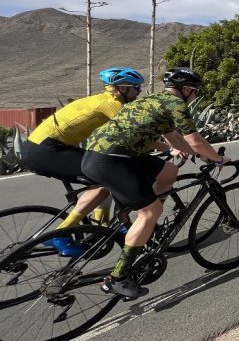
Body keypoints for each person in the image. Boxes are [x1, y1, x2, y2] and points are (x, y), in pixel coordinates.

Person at [81, 67, 229, 299]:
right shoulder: (176, 104)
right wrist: (218, 159)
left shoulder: (154, 100)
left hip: (97, 156)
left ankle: (143, 227)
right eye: (195, 91)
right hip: (113, 160)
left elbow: (174, 139)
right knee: (151, 211)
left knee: (168, 171)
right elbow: (195, 140)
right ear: (187, 89)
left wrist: (200, 155)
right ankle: (117, 277)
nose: (195, 95)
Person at [20, 67, 145, 256]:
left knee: (104, 174)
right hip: (47, 149)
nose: (139, 92)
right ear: (123, 88)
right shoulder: (112, 104)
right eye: (136, 88)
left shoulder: (99, 100)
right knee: (105, 178)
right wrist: (168, 147)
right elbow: (136, 133)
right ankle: (61, 234)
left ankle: (102, 228)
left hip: (40, 146)